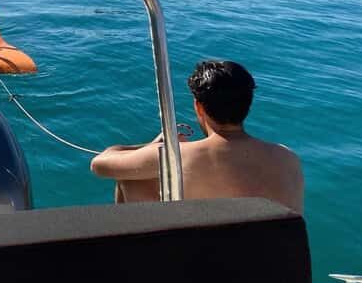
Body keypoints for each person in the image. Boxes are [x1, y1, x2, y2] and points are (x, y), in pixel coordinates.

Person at [90, 60, 303, 213]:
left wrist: (150, 147)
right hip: (276, 268)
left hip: (201, 266)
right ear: (248, 104)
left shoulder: (177, 156)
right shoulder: (287, 158)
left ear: (199, 107)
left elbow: (99, 164)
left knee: (129, 178)